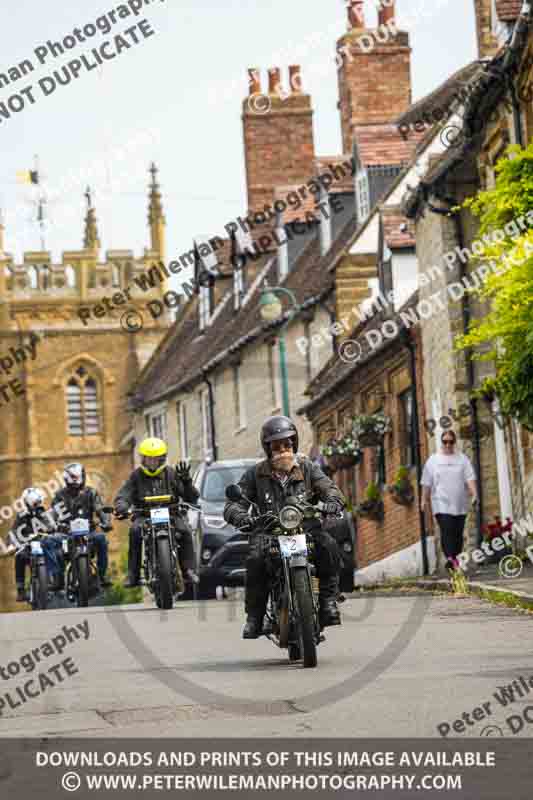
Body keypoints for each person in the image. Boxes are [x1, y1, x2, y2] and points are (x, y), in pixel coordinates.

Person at [224, 415, 345, 639]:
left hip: (306, 528)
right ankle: (255, 617)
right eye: (277, 446)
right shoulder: (256, 474)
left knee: (328, 545)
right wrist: (242, 517)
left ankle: (328, 602)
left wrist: (332, 501)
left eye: (287, 444)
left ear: (294, 444)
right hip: (269, 532)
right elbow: (233, 505)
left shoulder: (307, 468)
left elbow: (329, 488)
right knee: (255, 559)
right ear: (268, 449)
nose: (283, 450)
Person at [114, 437, 199, 588]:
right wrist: (122, 506)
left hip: (171, 513)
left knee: (185, 530)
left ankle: (188, 570)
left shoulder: (171, 473)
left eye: (156, 459)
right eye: (149, 459)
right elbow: (124, 495)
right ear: (143, 459)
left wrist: (186, 482)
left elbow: (191, 497)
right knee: (134, 532)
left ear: (162, 459)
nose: (152, 462)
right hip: (144, 515)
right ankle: (133, 574)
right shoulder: (136, 476)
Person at [420, 430, 478, 571]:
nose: (448, 444)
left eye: (451, 442)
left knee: (458, 533)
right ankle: (451, 559)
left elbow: (469, 478)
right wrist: (424, 500)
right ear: (441, 442)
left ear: (454, 443)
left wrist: (475, 494)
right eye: (445, 441)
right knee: (447, 530)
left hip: (460, 504)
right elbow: (426, 482)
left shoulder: (462, 459)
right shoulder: (433, 460)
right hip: (441, 504)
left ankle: (454, 559)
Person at [52, 463, 113, 587]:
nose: (76, 482)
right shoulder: (59, 495)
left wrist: (106, 522)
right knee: (55, 548)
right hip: (66, 533)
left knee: (102, 539)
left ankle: (102, 575)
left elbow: (99, 509)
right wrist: (53, 525)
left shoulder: (91, 493)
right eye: (73, 478)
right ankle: (58, 579)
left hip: (88, 533)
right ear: (66, 479)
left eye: (78, 478)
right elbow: (54, 513)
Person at [7, 488, 65, 602]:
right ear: (27, 502)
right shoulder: (22, 516)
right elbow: (13, 531)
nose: (38, 505)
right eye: (35, 503)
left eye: (39, 502)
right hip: (28, 547)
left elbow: (52, 526)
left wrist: (55, 529)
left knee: (59, 553)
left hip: (44, 545)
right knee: (19, 556)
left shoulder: (44, 513)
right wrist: (11, 543)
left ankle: (59, 584)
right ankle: (21, 590)